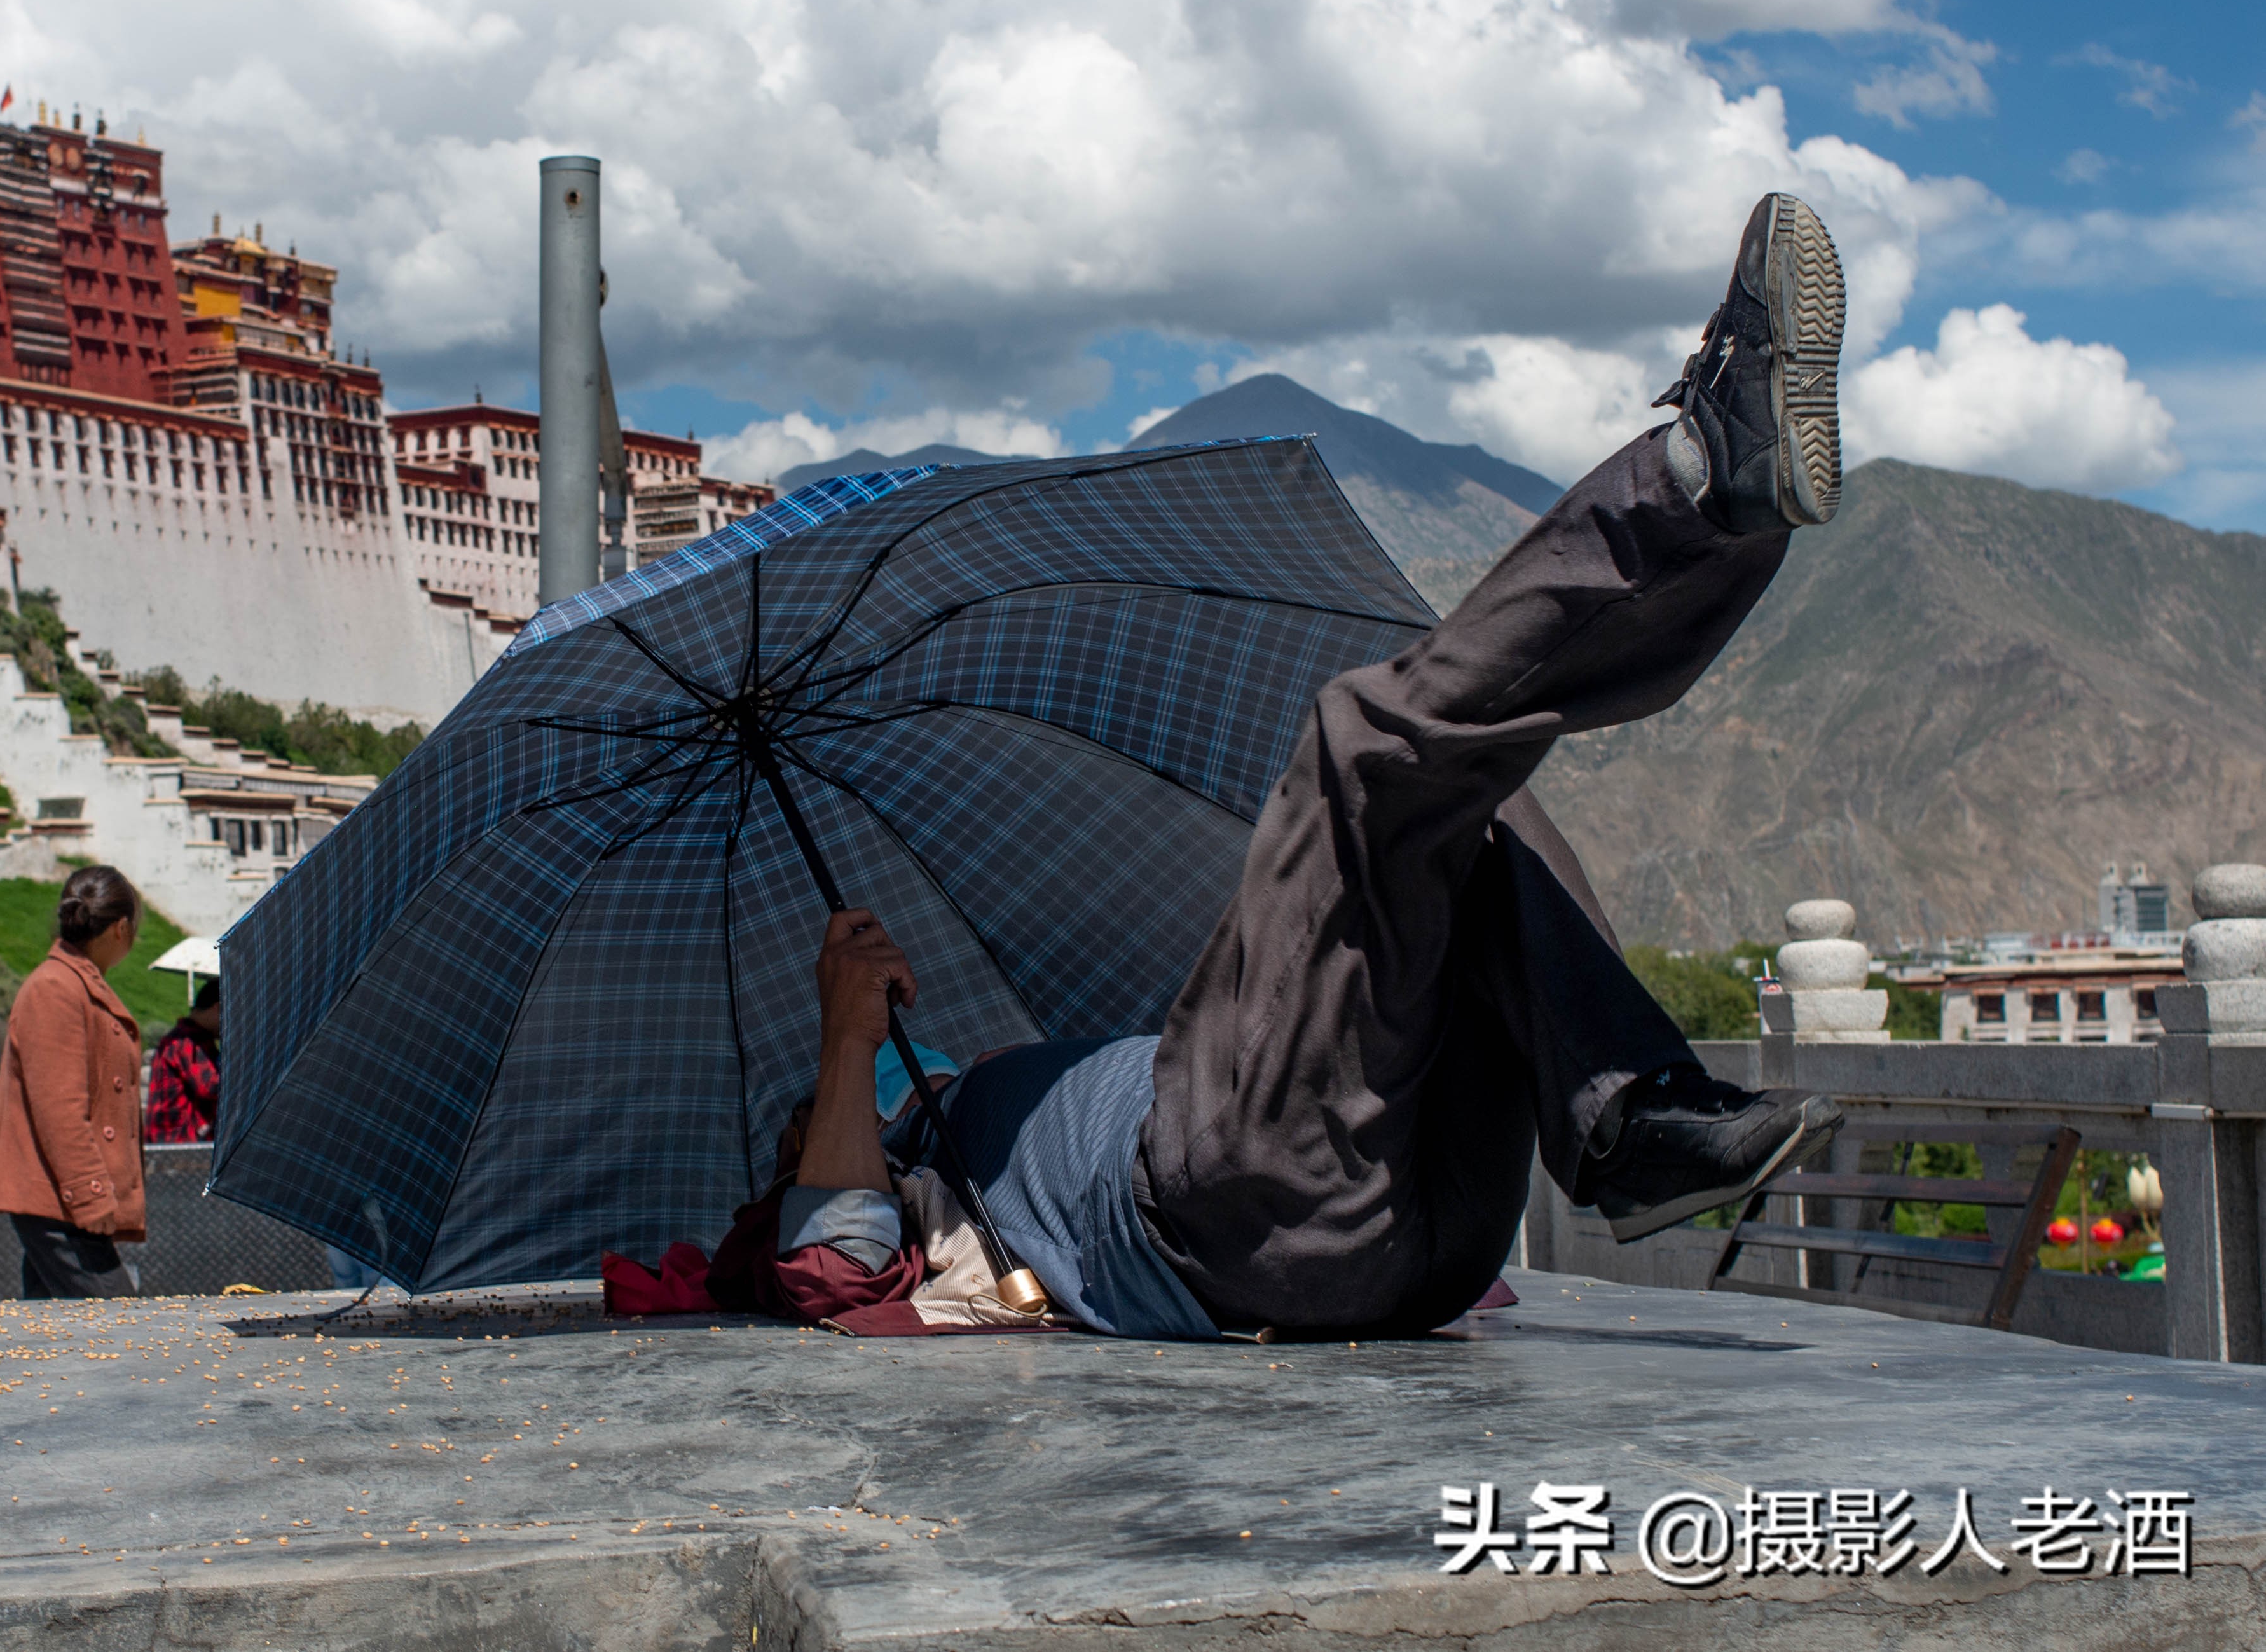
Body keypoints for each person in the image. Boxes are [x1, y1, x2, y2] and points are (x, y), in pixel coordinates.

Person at [731, 195, 1855, 1342]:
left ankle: (1626, 1118)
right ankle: (1700, 480)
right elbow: (831, 1275)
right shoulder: (898, 1175)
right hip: (1230, 1218)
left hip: (1430, 1229)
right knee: (1359, 744)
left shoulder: (981, 1100)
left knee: (1466, 803)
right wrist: (845, 1044)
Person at [0, 865, 148, 1296]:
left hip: (61, 1197)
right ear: (122, 928)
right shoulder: (55, 987)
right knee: (119, 1329)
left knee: (56, 1339)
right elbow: (60, 1110)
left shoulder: (73, 983)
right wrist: (91, 1194)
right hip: (62, 1199)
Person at [143, 978, 222, 1145]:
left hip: (178, 1142)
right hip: (174, 1142)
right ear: (218, 1008)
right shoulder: (186, 1040)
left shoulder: (197, 1039)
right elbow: (211, 1086)